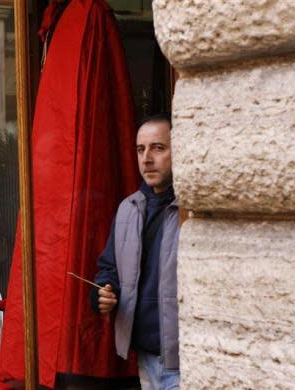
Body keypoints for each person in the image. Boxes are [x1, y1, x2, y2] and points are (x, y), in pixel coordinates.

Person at [91, 114, 180, 390]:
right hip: (144, 355)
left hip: (184, 357)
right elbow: (109, 268)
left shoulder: (190, 211)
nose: (147, 159)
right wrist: (104, 291)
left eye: (158, 148)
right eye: (141, 150)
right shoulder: (128, 208)